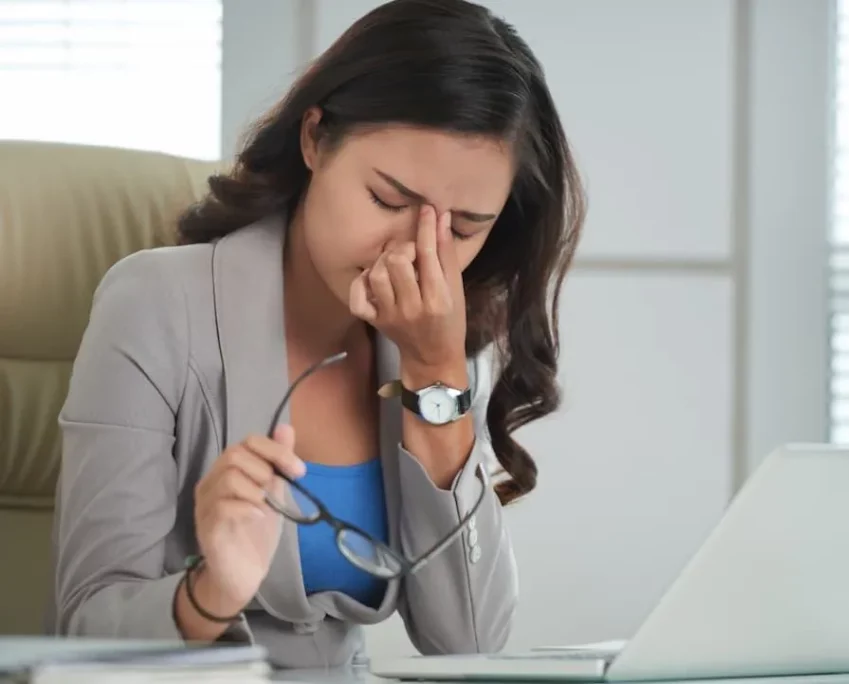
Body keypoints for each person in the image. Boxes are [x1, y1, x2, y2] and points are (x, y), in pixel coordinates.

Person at [46, 0, 585, 670]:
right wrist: (209, 594)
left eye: (464, 228)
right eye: (388, 200)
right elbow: (82, 623)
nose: (415, 254)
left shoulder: (437, 346)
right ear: (314, 140)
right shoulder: (155, 305)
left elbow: (469, 643)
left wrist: (436, 375)